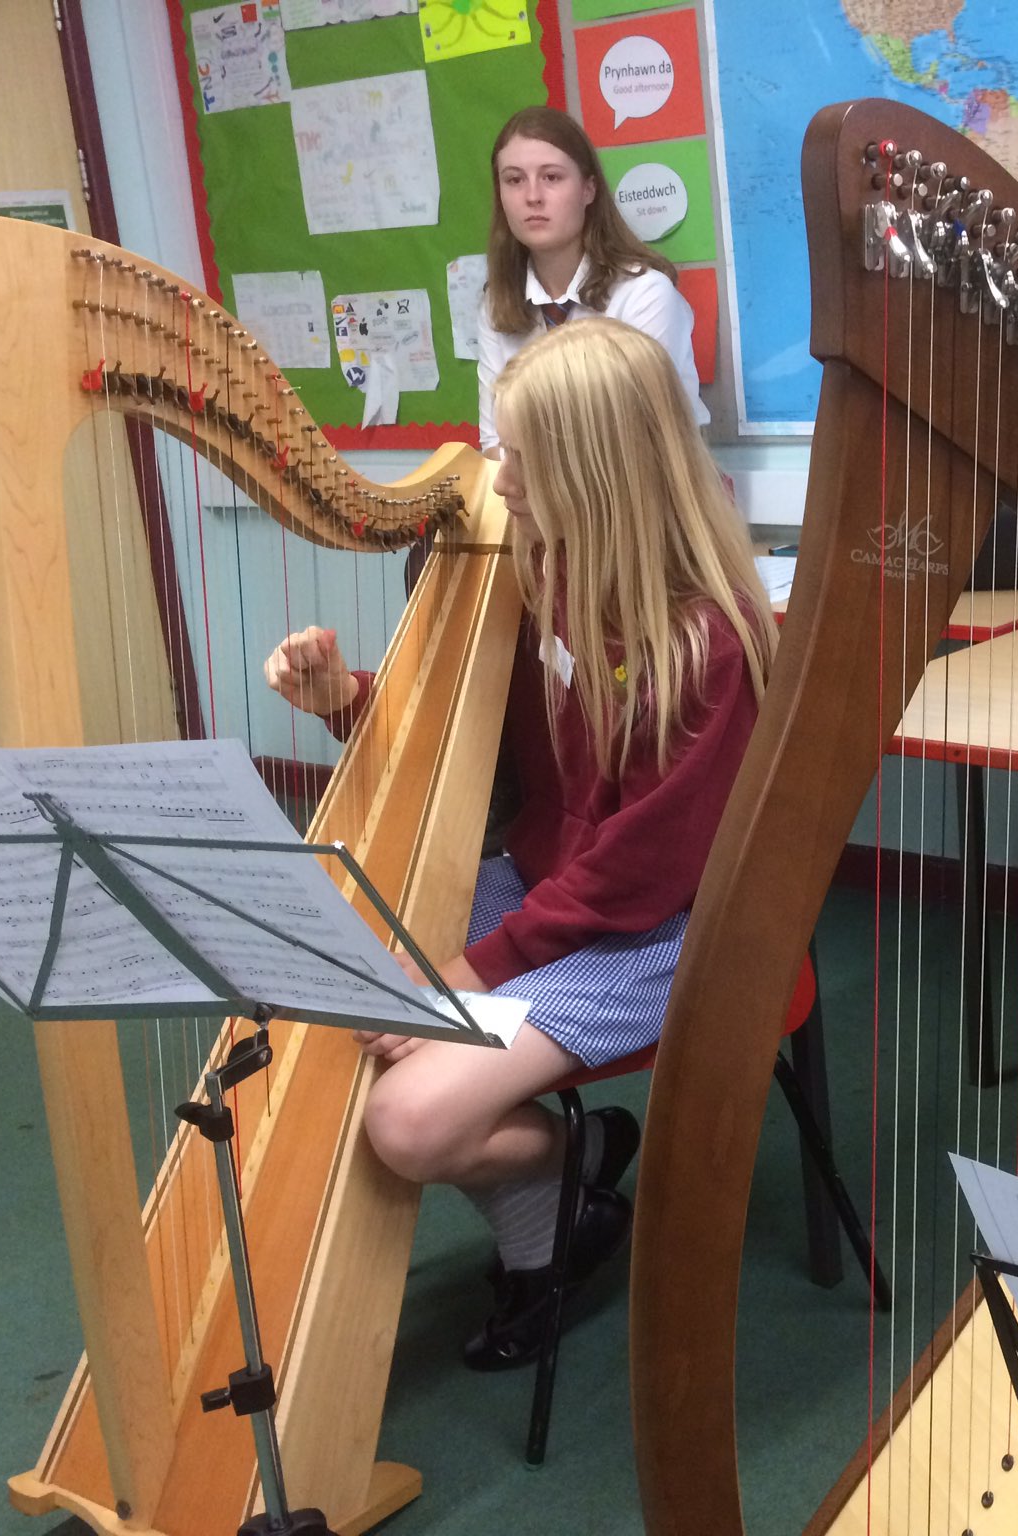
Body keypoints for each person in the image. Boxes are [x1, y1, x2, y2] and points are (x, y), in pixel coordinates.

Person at [264, 317, 773, 1367]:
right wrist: (346, 698)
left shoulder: (709, 644)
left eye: (516, 452)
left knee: (406, 1121)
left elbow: (642, 873)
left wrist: (467, 974)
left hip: (664, 931)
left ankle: (551, 1180)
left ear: (594, 468)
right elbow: (469, 753)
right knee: (322, 983)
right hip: (552, 889)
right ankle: (565, 1177)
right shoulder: (538, 579)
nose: (495, 471)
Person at [475, 105, 706, 453]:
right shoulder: (497, 303)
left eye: (551, 177)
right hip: (538, 502)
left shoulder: (644, 294)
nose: (532, 196)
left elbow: (649, 444)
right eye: (514, 179)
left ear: (588, 190)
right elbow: (495, 446)